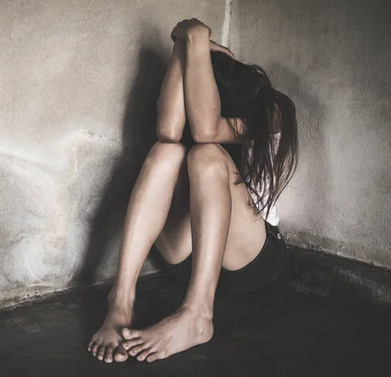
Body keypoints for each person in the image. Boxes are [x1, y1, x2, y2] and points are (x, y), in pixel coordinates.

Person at [87, 18, 298, 363]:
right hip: (186, 258)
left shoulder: (271, 109)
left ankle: (198, 313)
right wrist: (184, 42)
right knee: (165, 150)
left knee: (206, 155)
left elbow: (205, 130)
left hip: (250, 260)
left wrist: (198, 36)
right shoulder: (198, 89)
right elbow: (169, 130)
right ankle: (121, 302)